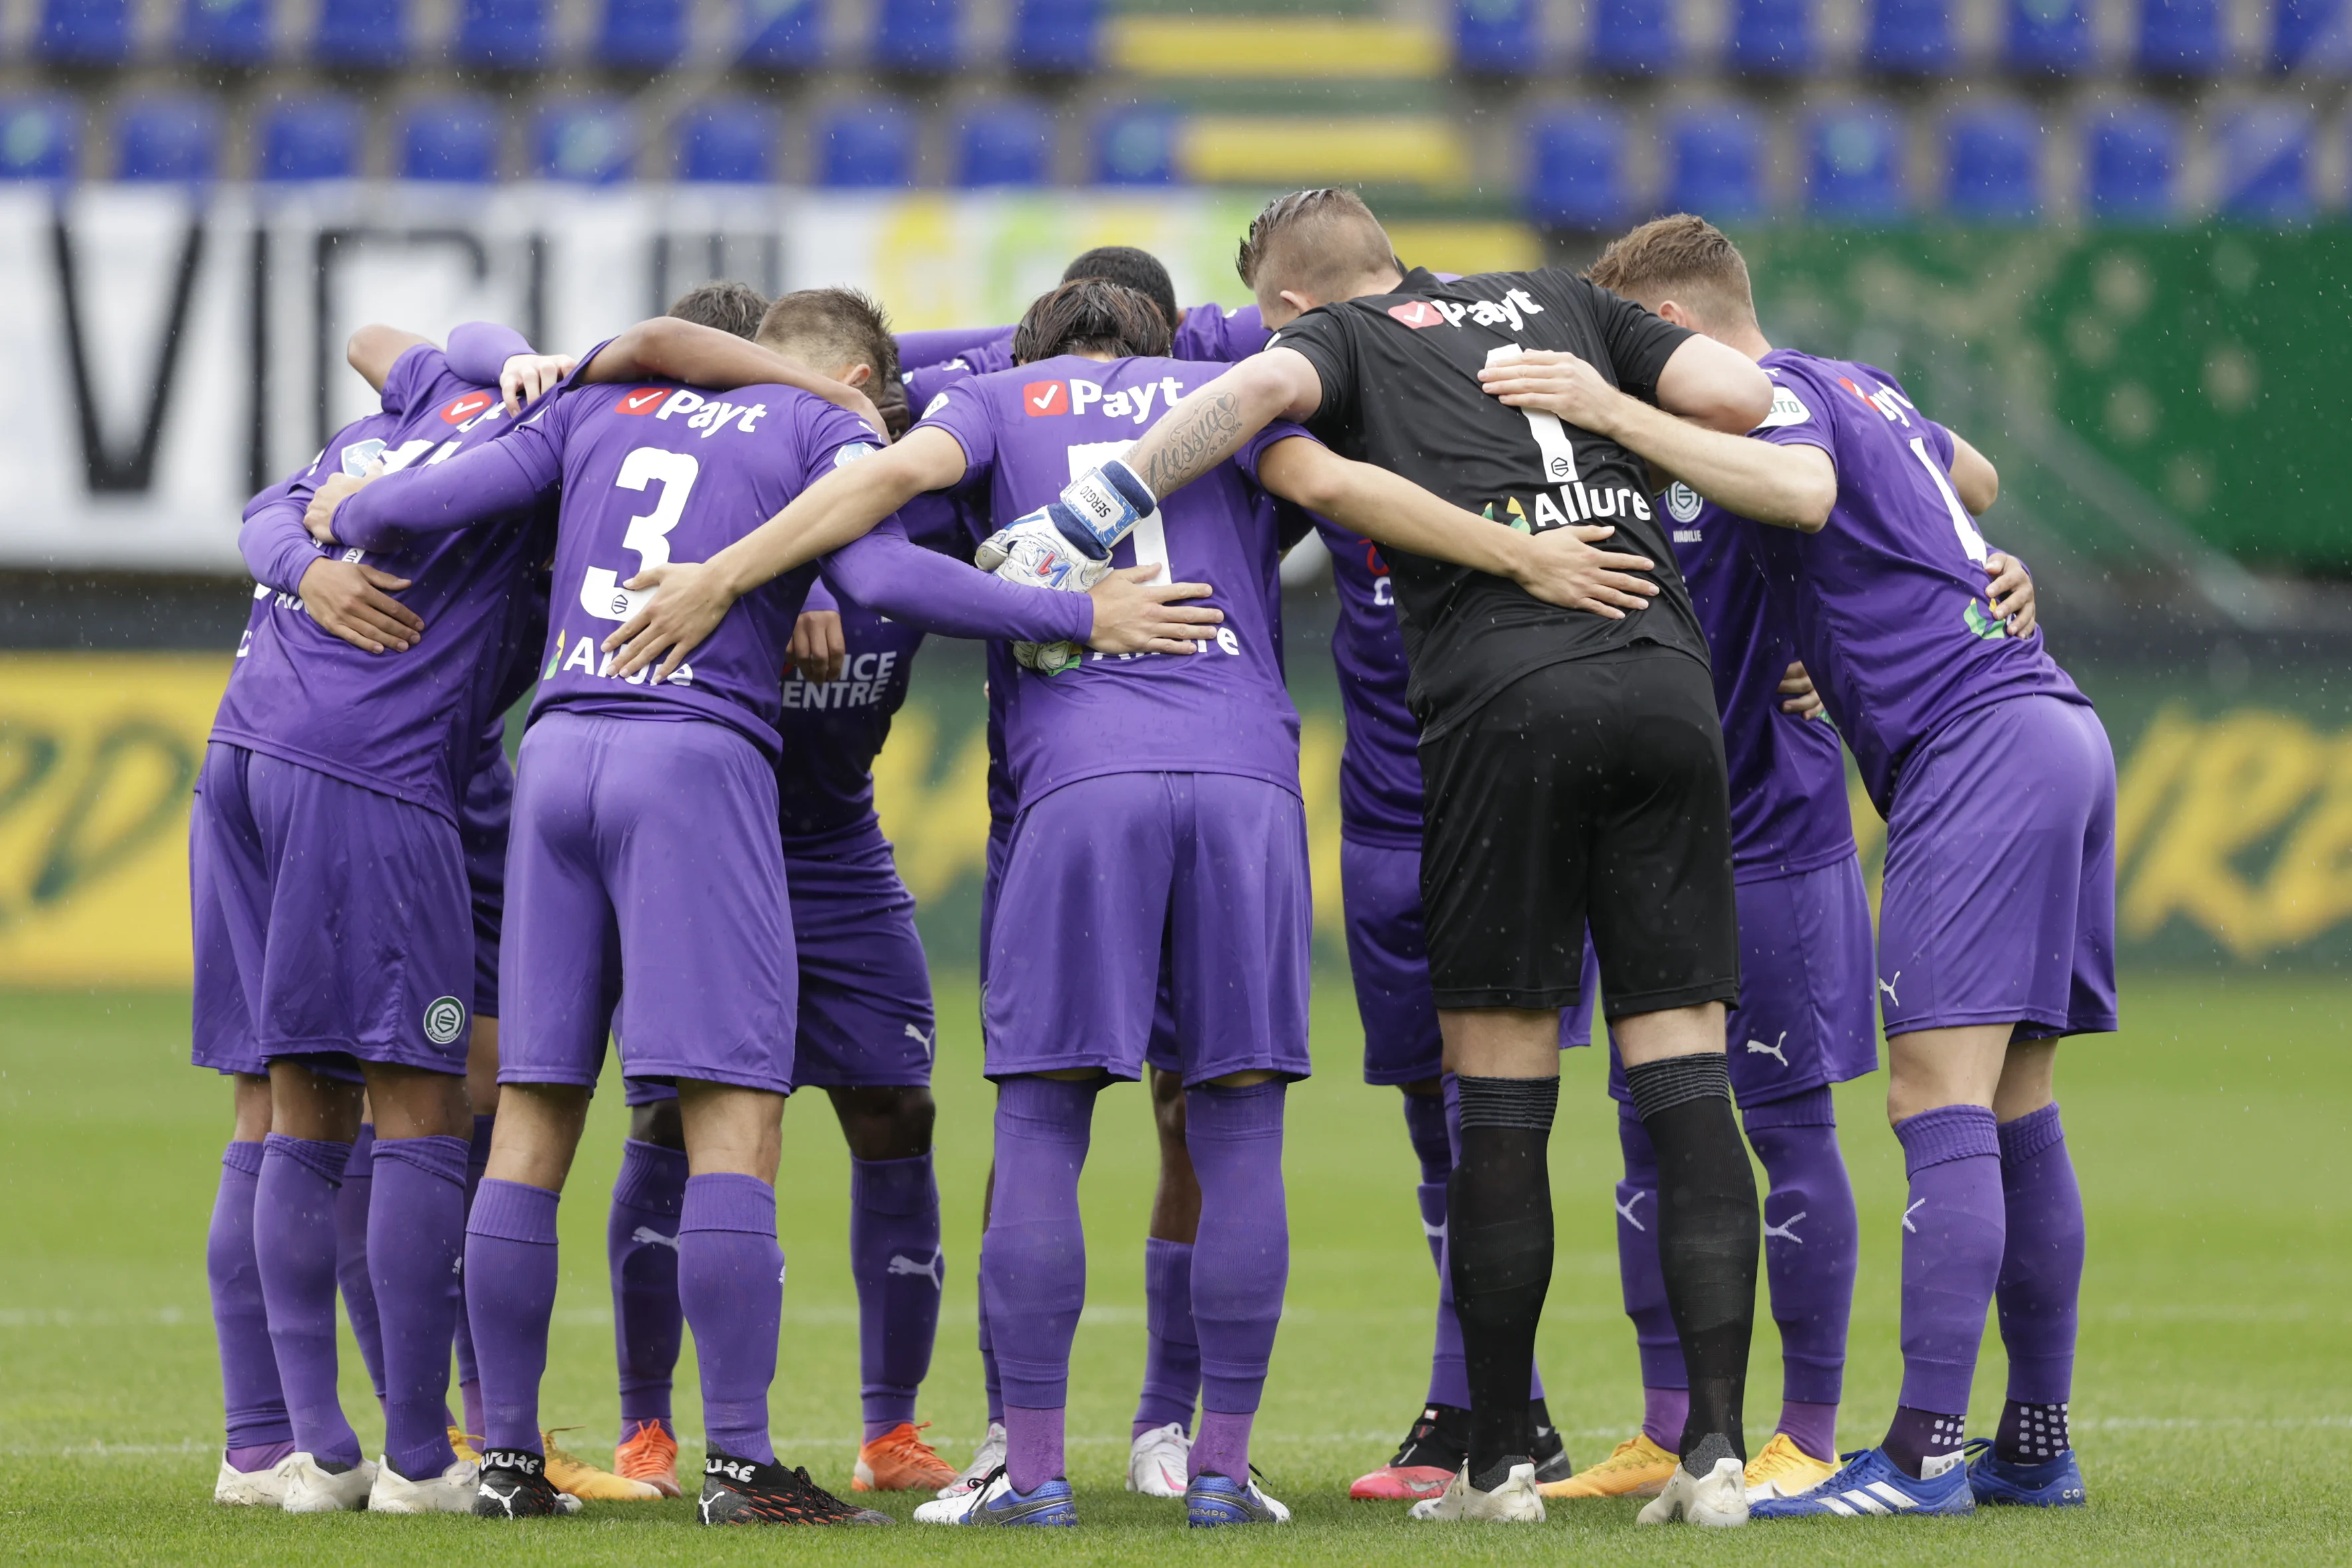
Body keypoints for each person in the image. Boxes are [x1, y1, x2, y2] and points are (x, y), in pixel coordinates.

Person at [305, 288, 1218, 1526]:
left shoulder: (595, 405)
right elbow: (885, 556)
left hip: (563, 747)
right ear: (837, 373)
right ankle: (738, 1458)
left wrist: (343, 513)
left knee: (531, 1109)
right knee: (734, 1112)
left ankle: (506, 1459)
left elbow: (440, 469)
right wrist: (1075, 608)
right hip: (694, 760)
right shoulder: (824, 432)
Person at [1067, 188, 1776, 1527]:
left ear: (1290, 295)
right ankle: (1719, 1457)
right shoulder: (1567, 299)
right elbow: (1741, 397)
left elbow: (1250, 404)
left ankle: (1501, 1464)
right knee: (1683, 1070)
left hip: (1506, 704)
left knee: (1499, 1089)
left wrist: (1102, 499)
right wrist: (1617, 420)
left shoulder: (1338, 338)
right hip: (1666, 685)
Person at [1504, 214, 2107, 1521]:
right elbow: (1978, 475)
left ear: (1671, 334)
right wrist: (1959, 560)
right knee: (2013, 1101)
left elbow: (1807, 494)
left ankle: (1913, 1451)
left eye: (1636, 347)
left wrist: (1617, 399)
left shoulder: (1775, 403)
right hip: (2045, 724)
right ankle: (2031, 1440)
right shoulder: (1854, 383)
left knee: (1927, 1097)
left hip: (1963, 753)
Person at [194, 321, 569, 1516]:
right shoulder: (544, 437)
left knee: (289, 1100)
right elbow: (389, 364)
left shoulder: (384, 427)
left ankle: (293, 1447)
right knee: (420, 1104)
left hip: (244, 753)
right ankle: (415, 1459)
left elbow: (366, 351)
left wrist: (313, 543)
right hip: (372, 774)